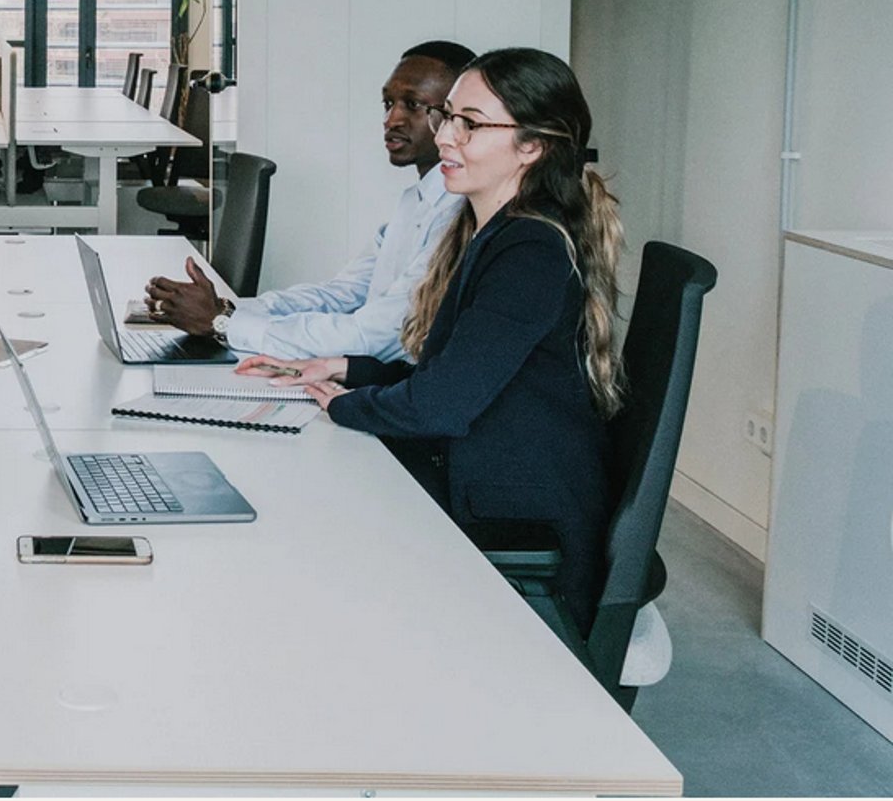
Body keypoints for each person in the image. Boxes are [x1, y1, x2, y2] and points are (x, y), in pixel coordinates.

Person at [246, 47, 624, 630]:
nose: (446, 137)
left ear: (532, 145)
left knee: (308, 503)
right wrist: (346, 369)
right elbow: (450, 375)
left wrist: (348, 406)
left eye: (470, 124)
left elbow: (441, 404)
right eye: (447, 117)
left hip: (513, 503)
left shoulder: (531, 251)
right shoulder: (492, 232)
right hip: (484, 467)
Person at [145, 40, 476, 360]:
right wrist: (225, 309)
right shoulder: (415, 202)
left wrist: (223, 323)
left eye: (413, 105)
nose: (391, 120)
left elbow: (378, 336)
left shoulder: (458, 215)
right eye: (388, 104)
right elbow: (341, 295)